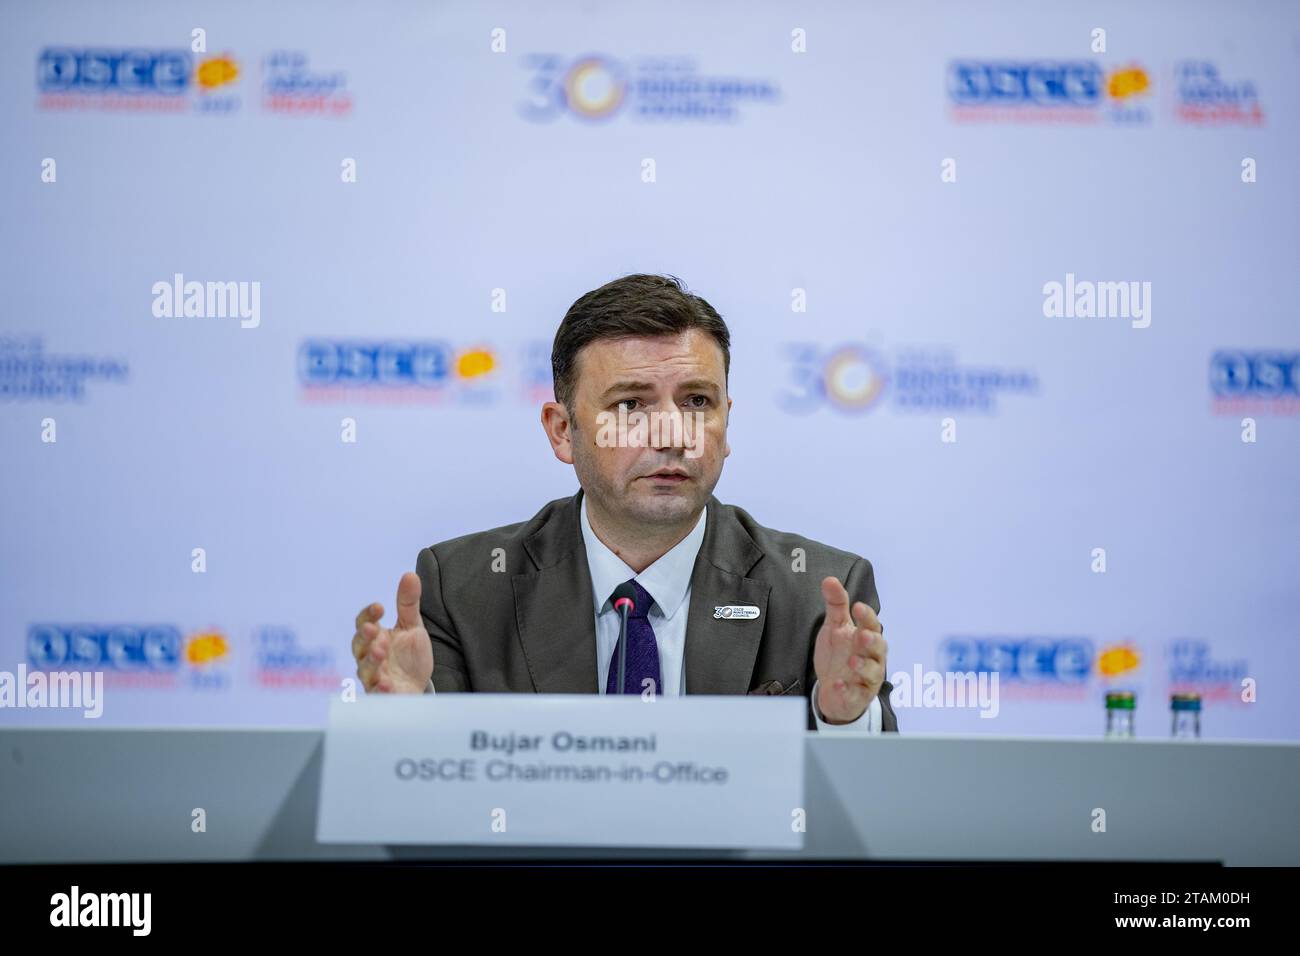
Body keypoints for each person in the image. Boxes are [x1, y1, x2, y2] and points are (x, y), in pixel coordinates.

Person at [351, 274, 896, 732]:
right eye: (631, 404)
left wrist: (841, 720)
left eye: (697, 402)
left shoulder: (821, 593)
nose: (671, 433)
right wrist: (406, 725)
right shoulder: (463, 589)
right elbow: (439, 818)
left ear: (727, 424)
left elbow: (871, 827)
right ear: (563, 431)